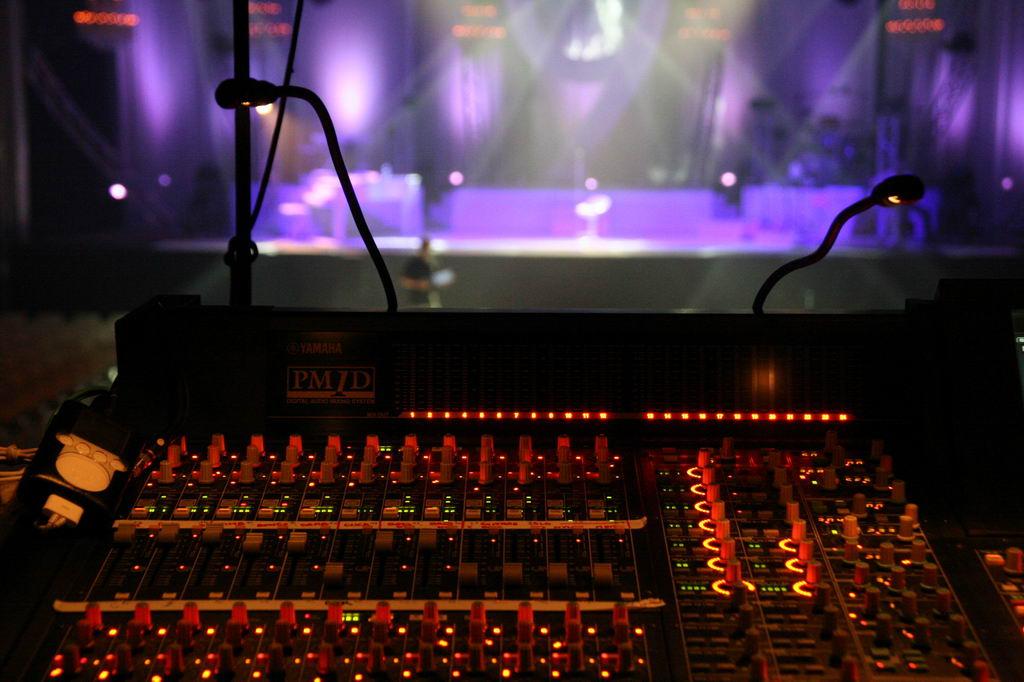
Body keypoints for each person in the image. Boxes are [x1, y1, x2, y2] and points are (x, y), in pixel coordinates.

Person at [401, 237, 452, 308]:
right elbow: (405, 281)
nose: (427, 250)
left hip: (432, 301)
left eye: (428, 247)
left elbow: (435, 280)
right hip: (417, 302)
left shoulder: (433, 262)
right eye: (425, 247)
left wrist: (443, 281)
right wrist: (419, 284)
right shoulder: (414, 263)